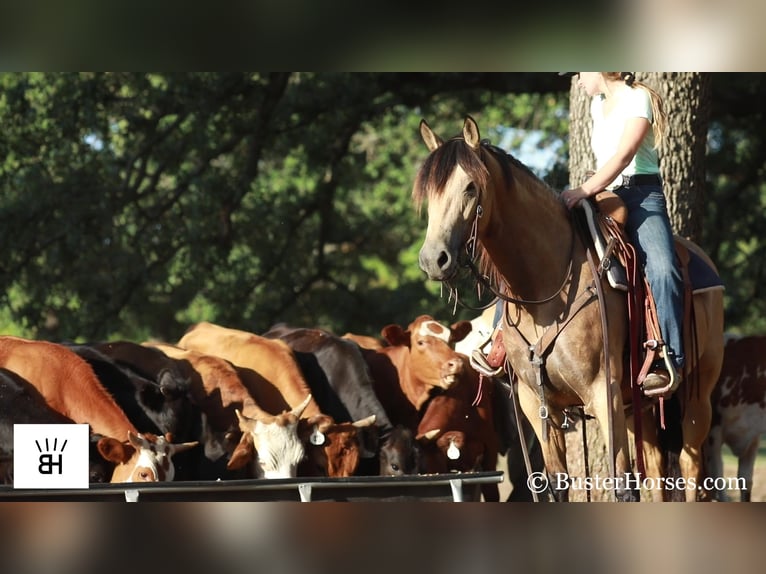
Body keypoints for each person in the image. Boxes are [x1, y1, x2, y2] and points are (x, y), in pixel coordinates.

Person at [559, 72, 684, 396]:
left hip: (641, 196)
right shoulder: (596, 105)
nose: (577, 80)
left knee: (662, 268)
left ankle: (669, 359)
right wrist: (590, 191)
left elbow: (625, 155)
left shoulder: (637, 97)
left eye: (578, 71)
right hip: (604, 194)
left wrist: (583, 189)